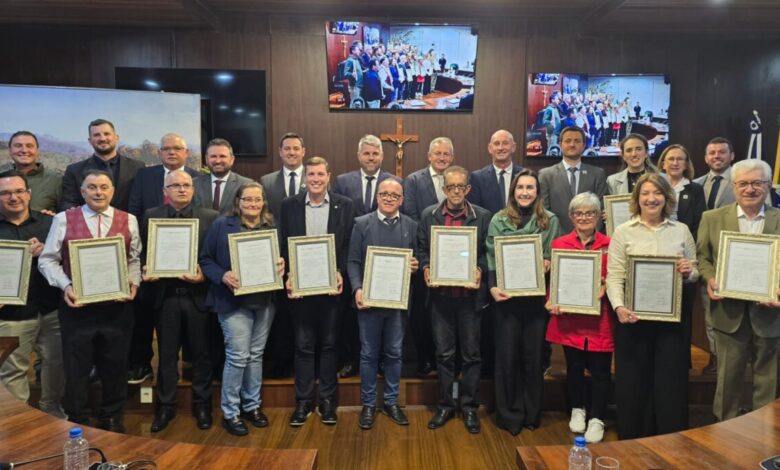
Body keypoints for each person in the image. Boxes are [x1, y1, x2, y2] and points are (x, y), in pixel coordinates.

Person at [39, 170, 142, 433]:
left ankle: (112, 415)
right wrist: (66, 286)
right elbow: (47, 260)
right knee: (76, 366)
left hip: (117, 308)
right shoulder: (64, 219)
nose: (98, 192)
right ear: (82, 191)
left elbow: (133, 259)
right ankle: (78, 416)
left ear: (112, 191)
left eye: (104, 187)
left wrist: (134, 282)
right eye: (92, 187)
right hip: (77, 309)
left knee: (116, 364)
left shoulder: (128, 220)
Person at [606, 173, 698, 439]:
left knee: (671, 380)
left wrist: (688, 271)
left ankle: (670, 438)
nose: (651, 198)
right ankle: (634, 437)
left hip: (672, 321)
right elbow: (614, 276)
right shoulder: (623, 232)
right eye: (645, 193)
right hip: (633, 319)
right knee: (634, 381)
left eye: (657, 193)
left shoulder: (681, 230)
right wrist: (619, 307)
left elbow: (695, 271)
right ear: (637, 199)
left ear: (666, 198)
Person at [696, 159, 780, 421]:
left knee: (768, 381)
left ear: (768, 186)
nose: (750, 189)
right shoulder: (712, 218)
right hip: (728, 315)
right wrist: (710, 278)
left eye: (757, 183)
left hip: (771, 315)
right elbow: (703, 258)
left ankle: (764, 433)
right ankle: (724, 432)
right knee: (728, 381)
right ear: (733, 186)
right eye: (743, 183)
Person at [200, 181, 284, 436]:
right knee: (238, 356)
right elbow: (205, 259)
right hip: (232, 301)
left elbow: (280, 259)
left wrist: (282, 264)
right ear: (238, 202)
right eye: (247, 199)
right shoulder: (221, 225)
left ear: (263, 202)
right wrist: (223, 275)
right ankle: (231, 412)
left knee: (255, 354)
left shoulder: (271, 227)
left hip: (264, 300)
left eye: (257, 200)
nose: (253, 204)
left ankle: (252, 405)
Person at [141, 170, 219, 432]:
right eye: (175, 185)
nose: (182, 189)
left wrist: (203, 275)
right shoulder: (151, 216)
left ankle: (202, 406)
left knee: (201, 354)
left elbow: (216, 257)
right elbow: (143, 252)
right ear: (165, 191)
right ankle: (166, 406)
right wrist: (146, 269)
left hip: (198, 296)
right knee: (166, 355)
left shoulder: (210, 217)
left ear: (193, 190)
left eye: (186, 185)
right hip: (165, 297)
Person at [279, 156, 354, 427]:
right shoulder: (289, 205)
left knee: (330, 344)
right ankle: (303, 402)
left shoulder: (345, 205)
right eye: (311, 174)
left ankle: (327, 401)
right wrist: (289, 274)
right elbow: (284, 243)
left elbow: (347, 245)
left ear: (328, 177)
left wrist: (340, 271)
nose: (316, 179)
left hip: (332, 288)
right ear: (305, 177)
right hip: (301, 288)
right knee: (303, 345)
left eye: (320, 174)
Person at [418, 165, 492, 434]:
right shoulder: (429, 215)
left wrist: (480, 268)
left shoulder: (482, 216)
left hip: (470, 298)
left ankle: (469, 406)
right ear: (444, 188)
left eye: (461, 186)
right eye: (451, 187)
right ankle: (447, 404)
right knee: (444, 354)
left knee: (471, 355)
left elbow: (487, 252)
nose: (456, 191)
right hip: (440, 298)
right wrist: (426, 266)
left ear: (468, 189)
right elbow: (422, 249)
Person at [487, 169, 560, 436]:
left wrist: (549, 262)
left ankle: (531, 413)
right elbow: (491, 257)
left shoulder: (550, 220)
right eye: (520, 188)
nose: (525, 192)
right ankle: (509, 414)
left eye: (530, 187)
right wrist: (492, 287)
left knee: (533, 356)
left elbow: (553, 255)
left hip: (535, 300)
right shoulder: (498, 219)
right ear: (513, 191)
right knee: (507, 357)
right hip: (506, 299)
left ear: (537, 192)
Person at [126, 133, 201, 385]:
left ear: (186, 152)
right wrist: (146, 262)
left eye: (177, 148)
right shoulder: (145, 176)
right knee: (156, 335)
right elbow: (135, 215)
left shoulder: (197, 178)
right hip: (156, 276)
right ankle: (147, 371)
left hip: (192, 278)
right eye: (166, 148)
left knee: (195, 343)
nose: (171, 152)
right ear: (159, 153)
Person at [347, 179, 418, 430]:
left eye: (394, 195)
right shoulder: (361, 224)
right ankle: (368, 404)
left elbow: (417, 259)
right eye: (384, 194)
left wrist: (415, 265)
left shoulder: (411, 226)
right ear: (377, 197)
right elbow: (353, 261)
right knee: (368, 353)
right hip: (369, 303)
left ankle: (391, 402)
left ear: (402, 200)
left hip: (397, 304)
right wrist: (357, 288)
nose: (389, 198)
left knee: (394, 353)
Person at [544, 192, 613, 443]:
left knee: (601, 370)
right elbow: (555, 280)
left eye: (590, 213)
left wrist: (607, 284)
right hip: (570, 317)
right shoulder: (559, 244)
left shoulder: (611, 244)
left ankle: (597, 418)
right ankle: (578, 408)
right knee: (573, 367)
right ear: (571, 217)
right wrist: (551, 300)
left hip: (600, 318)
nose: (584, 217)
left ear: (598, 216)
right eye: (579, 213)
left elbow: (618, 277)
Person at [333, 134, 401, 378]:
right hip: (354, 256)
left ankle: (381, 361)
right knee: (353, 312)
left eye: (375, 154)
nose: (371, 158)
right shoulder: (342, 181)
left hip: (385, 261)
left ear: (382, 156)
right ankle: (352, 359)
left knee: (385, 310)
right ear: (359, 156)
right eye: (366, 153)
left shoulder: (394, 182)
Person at [0, 171, 64, 418]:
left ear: (29, 194)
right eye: (5, 193)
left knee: (56, 364)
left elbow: (67, 259)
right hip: (11, 313)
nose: (13, 197)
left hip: (50, 308)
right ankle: (18, 421)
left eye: (19, 191)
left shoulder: (50, 223)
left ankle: (52, 412)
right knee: (12, 370)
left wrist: (46, 252)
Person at [403, 137, 455, 376]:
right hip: (424, 252)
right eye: (438, 153)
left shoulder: (458, 180)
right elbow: (411, 216)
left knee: (447, 310)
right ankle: (424, 359)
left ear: (452, 157)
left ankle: (446, 360)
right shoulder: (414, 180)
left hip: (453, 258)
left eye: (446, 154)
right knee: (422, 311)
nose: (442, 158)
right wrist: (433, 245)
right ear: (429, 156)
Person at [692, 137, 737, 374]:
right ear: (705, 158)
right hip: (704, 255)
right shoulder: (695, 185)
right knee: (709, 310)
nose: (717, 156)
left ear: (732, 156)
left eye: (722, 152)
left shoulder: (742, 182)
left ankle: (735, 359)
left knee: (733, 313)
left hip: (734, 256)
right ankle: (715, 356)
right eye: (712, 153)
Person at [60, 119, 145, 211]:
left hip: (128, 219)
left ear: (116, 138)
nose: (102, 139)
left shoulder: (137, 168)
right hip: (87, 220)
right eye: (96, 135)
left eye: (107, 134)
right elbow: (68, 202)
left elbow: (144, 200)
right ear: (90, 141)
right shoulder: (74, 170)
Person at [539, 126, 608, 235]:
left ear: (584, 145)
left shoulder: (597, 174)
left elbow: (601, 211)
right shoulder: (546, 175)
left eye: (577, 141)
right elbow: (544, 212)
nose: (572, 144)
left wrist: (590, 237)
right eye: (568, 141)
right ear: (560, 144)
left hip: (589, 239)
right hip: (557, 239)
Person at [0, 131, 62, 213]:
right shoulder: (1, 175)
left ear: (37, 151)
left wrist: (53, 217)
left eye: (29, 146)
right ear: (10, 150)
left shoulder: (55, 180)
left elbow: (65, 213)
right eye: (18, 146)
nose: (24, 150)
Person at [467, 129, 523, 215]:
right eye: (496, 144)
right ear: (490, 148)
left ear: (513, 147)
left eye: (505, 143)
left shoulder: (525, 175)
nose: (501, 148)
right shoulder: (477, 178)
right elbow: (475, 213)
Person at [193, 138, 254, 216]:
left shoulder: (246, 184)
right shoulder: (194, 184)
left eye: (222, 156)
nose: (218, 161)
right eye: (213, 156)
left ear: (232, 159)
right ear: (206, 159)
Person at [260, 132, 306, 223]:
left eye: (296, 149)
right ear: (280, 152)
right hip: (277, 231)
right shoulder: (266, 182)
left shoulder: (316, 179)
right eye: (287, 149)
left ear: (303, 152)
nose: (291, 152)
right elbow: (264, 213)